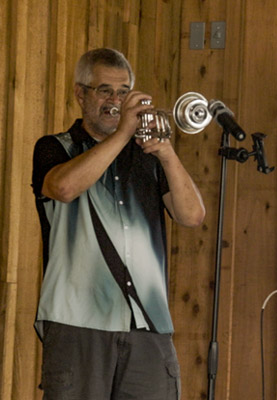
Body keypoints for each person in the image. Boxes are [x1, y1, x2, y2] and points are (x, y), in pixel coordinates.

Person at [31, 48, 205, 399]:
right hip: (76, 322)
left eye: (123, 92)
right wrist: (123, 133)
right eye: (105, 90)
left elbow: (192, 216)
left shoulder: (148, 158)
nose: (115, 100)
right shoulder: (56, 148)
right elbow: (63, 188)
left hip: (148, 324)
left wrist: (167, 152)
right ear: (81, 94)